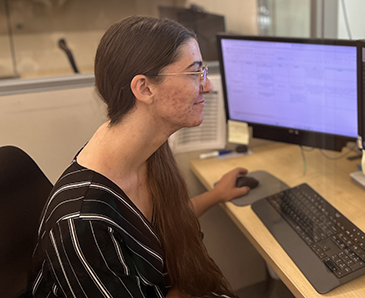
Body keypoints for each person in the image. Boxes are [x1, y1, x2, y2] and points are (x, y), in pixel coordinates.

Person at [24, 16, 251, 298]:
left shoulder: (148, 149)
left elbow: (153, 230)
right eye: (194, 74)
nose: (207, 87)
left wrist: (216, 194)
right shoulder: (83, 224)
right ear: (144, 88)